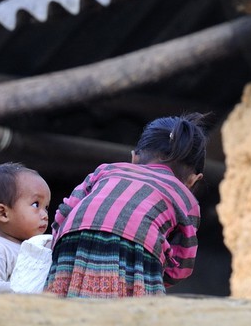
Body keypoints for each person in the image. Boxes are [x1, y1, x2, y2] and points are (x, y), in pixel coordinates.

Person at [45, 113, 208, 298]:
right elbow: (182, 264)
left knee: (64, 307)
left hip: (72, 239)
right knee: (133, 316)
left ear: (134, 158)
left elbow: (64, 213)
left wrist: (59, 244)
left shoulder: (105, 170)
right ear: (194, 181)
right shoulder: (185, 197)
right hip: (136, 250)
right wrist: (155, 275)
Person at [0, 162, 51, 293]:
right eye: (36, 205)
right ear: (3, 213)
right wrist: (28, 293)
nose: (45, 215)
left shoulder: (42, 248)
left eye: (46, 208)